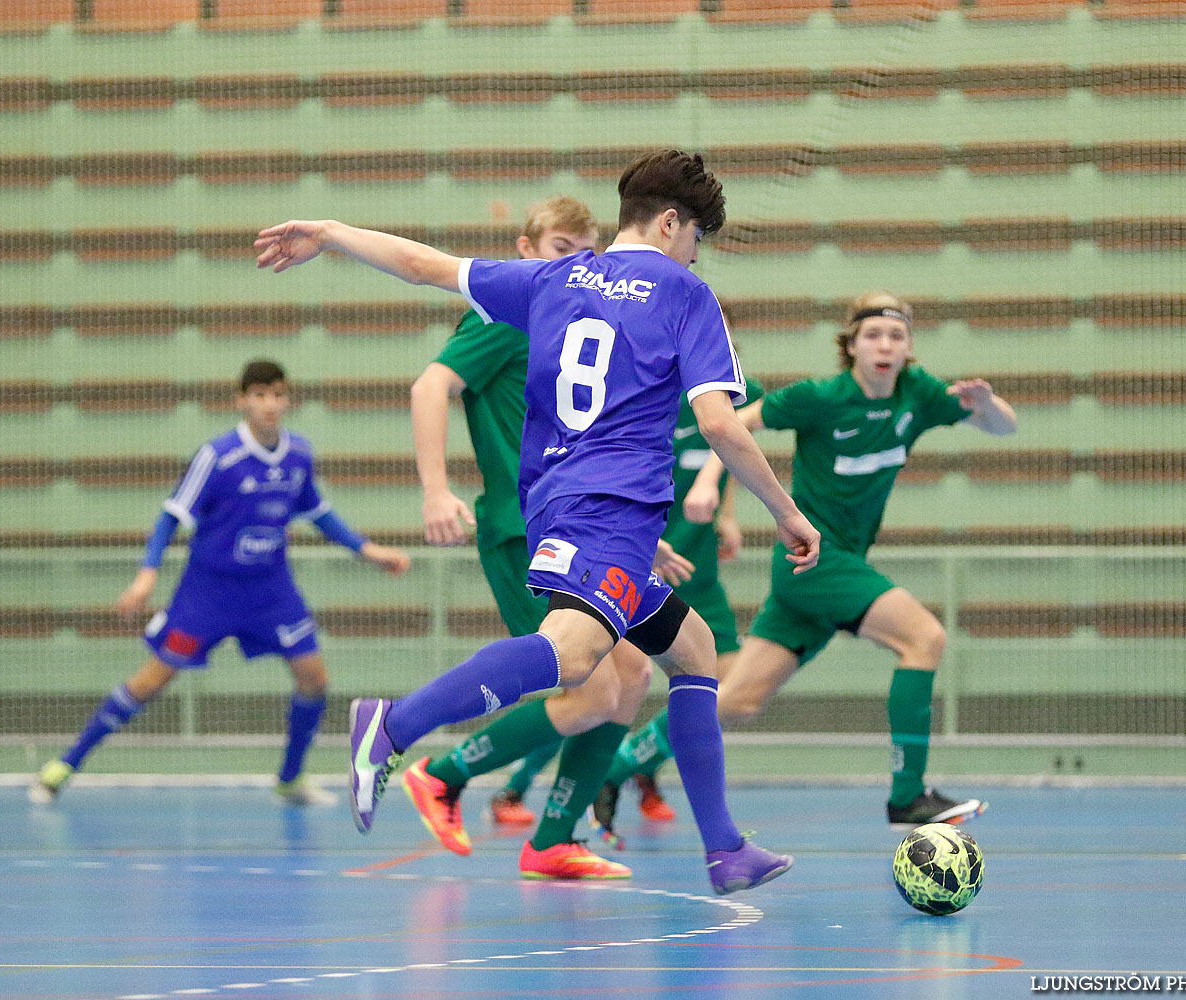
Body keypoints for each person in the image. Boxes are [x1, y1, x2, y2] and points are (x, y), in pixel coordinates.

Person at [255, 149, 820, 895]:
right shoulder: (687, 294)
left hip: (561, 499)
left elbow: (426, 266)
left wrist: (329, 230)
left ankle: (723, 848)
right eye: (696, 237)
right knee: (574, 656)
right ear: (673, 223)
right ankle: (393, 726)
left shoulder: (555, 278)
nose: (694, 253)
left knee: (692, 649)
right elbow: (718, 422)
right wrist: (786, 511)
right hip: (610, 510)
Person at [403, 195, 680, 880]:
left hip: (582, 526)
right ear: (524, 251)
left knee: (633, 676)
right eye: (558, 248)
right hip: (521, 529)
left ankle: (554, 837)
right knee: (588, 689)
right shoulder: (507, 316)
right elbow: (430, 385)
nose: (571, 264)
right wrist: (436, 490)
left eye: (581, 253)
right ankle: (442, 774)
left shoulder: (573, 325)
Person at [679, 290, 1017, 829]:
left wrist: (986, 402)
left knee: (735, 700)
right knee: (923, 637)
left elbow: (1005, 429)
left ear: (909, 349)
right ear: (852, 346)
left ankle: (624, 764)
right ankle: (907, 796)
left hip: (822, 575)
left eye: (896, 336)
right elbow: (734, 423)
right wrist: (707, 481)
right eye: (873, 335)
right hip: (816, 557)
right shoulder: (821, 397)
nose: (885, 345)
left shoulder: (918, 396)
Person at [29, 360, 410, 806]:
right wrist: (145, 576)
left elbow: (319, 514)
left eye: (278, 395)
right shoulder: (218, 456)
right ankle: (66, 764)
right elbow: (172, 516)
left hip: (271, 592)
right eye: (259, 395)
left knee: (314, 679)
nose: (270, 404)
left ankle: (290, 779)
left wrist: (369, 551)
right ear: (242, 400)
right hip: (207, 595)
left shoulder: (298, 456)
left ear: (287, 401)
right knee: (149, 682)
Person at [590, 372, 764, 848]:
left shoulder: (729, 398)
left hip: (697, 569)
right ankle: (532, 787)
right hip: (641, 561)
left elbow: (728, 452)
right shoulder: (639, 392)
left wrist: (726, 515)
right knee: (606, 684)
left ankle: (634, 763)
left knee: (730, 689)